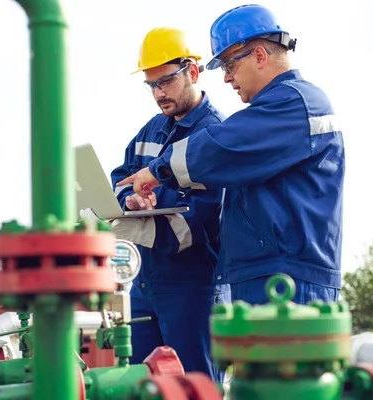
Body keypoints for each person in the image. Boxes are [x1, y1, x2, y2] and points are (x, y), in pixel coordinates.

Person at [116, 5, 345, 306]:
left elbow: (221, 147)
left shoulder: (297, 103)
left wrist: (157, 171)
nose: (226, 78)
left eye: (228, 65)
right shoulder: (276, 109)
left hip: (290, 281)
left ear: (260, 56)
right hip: (263, 275)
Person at [109, 27, 230, 382]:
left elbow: (199, 220)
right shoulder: (151, 131)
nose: (159, 93)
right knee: (138, 386)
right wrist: (129, 201)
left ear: (193, 72)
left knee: (195, 387)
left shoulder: (216, 134)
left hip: (194, 289)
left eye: (166, 82)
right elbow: (121, 182)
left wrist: (143, 215)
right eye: (151, 85)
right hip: (145, 286)